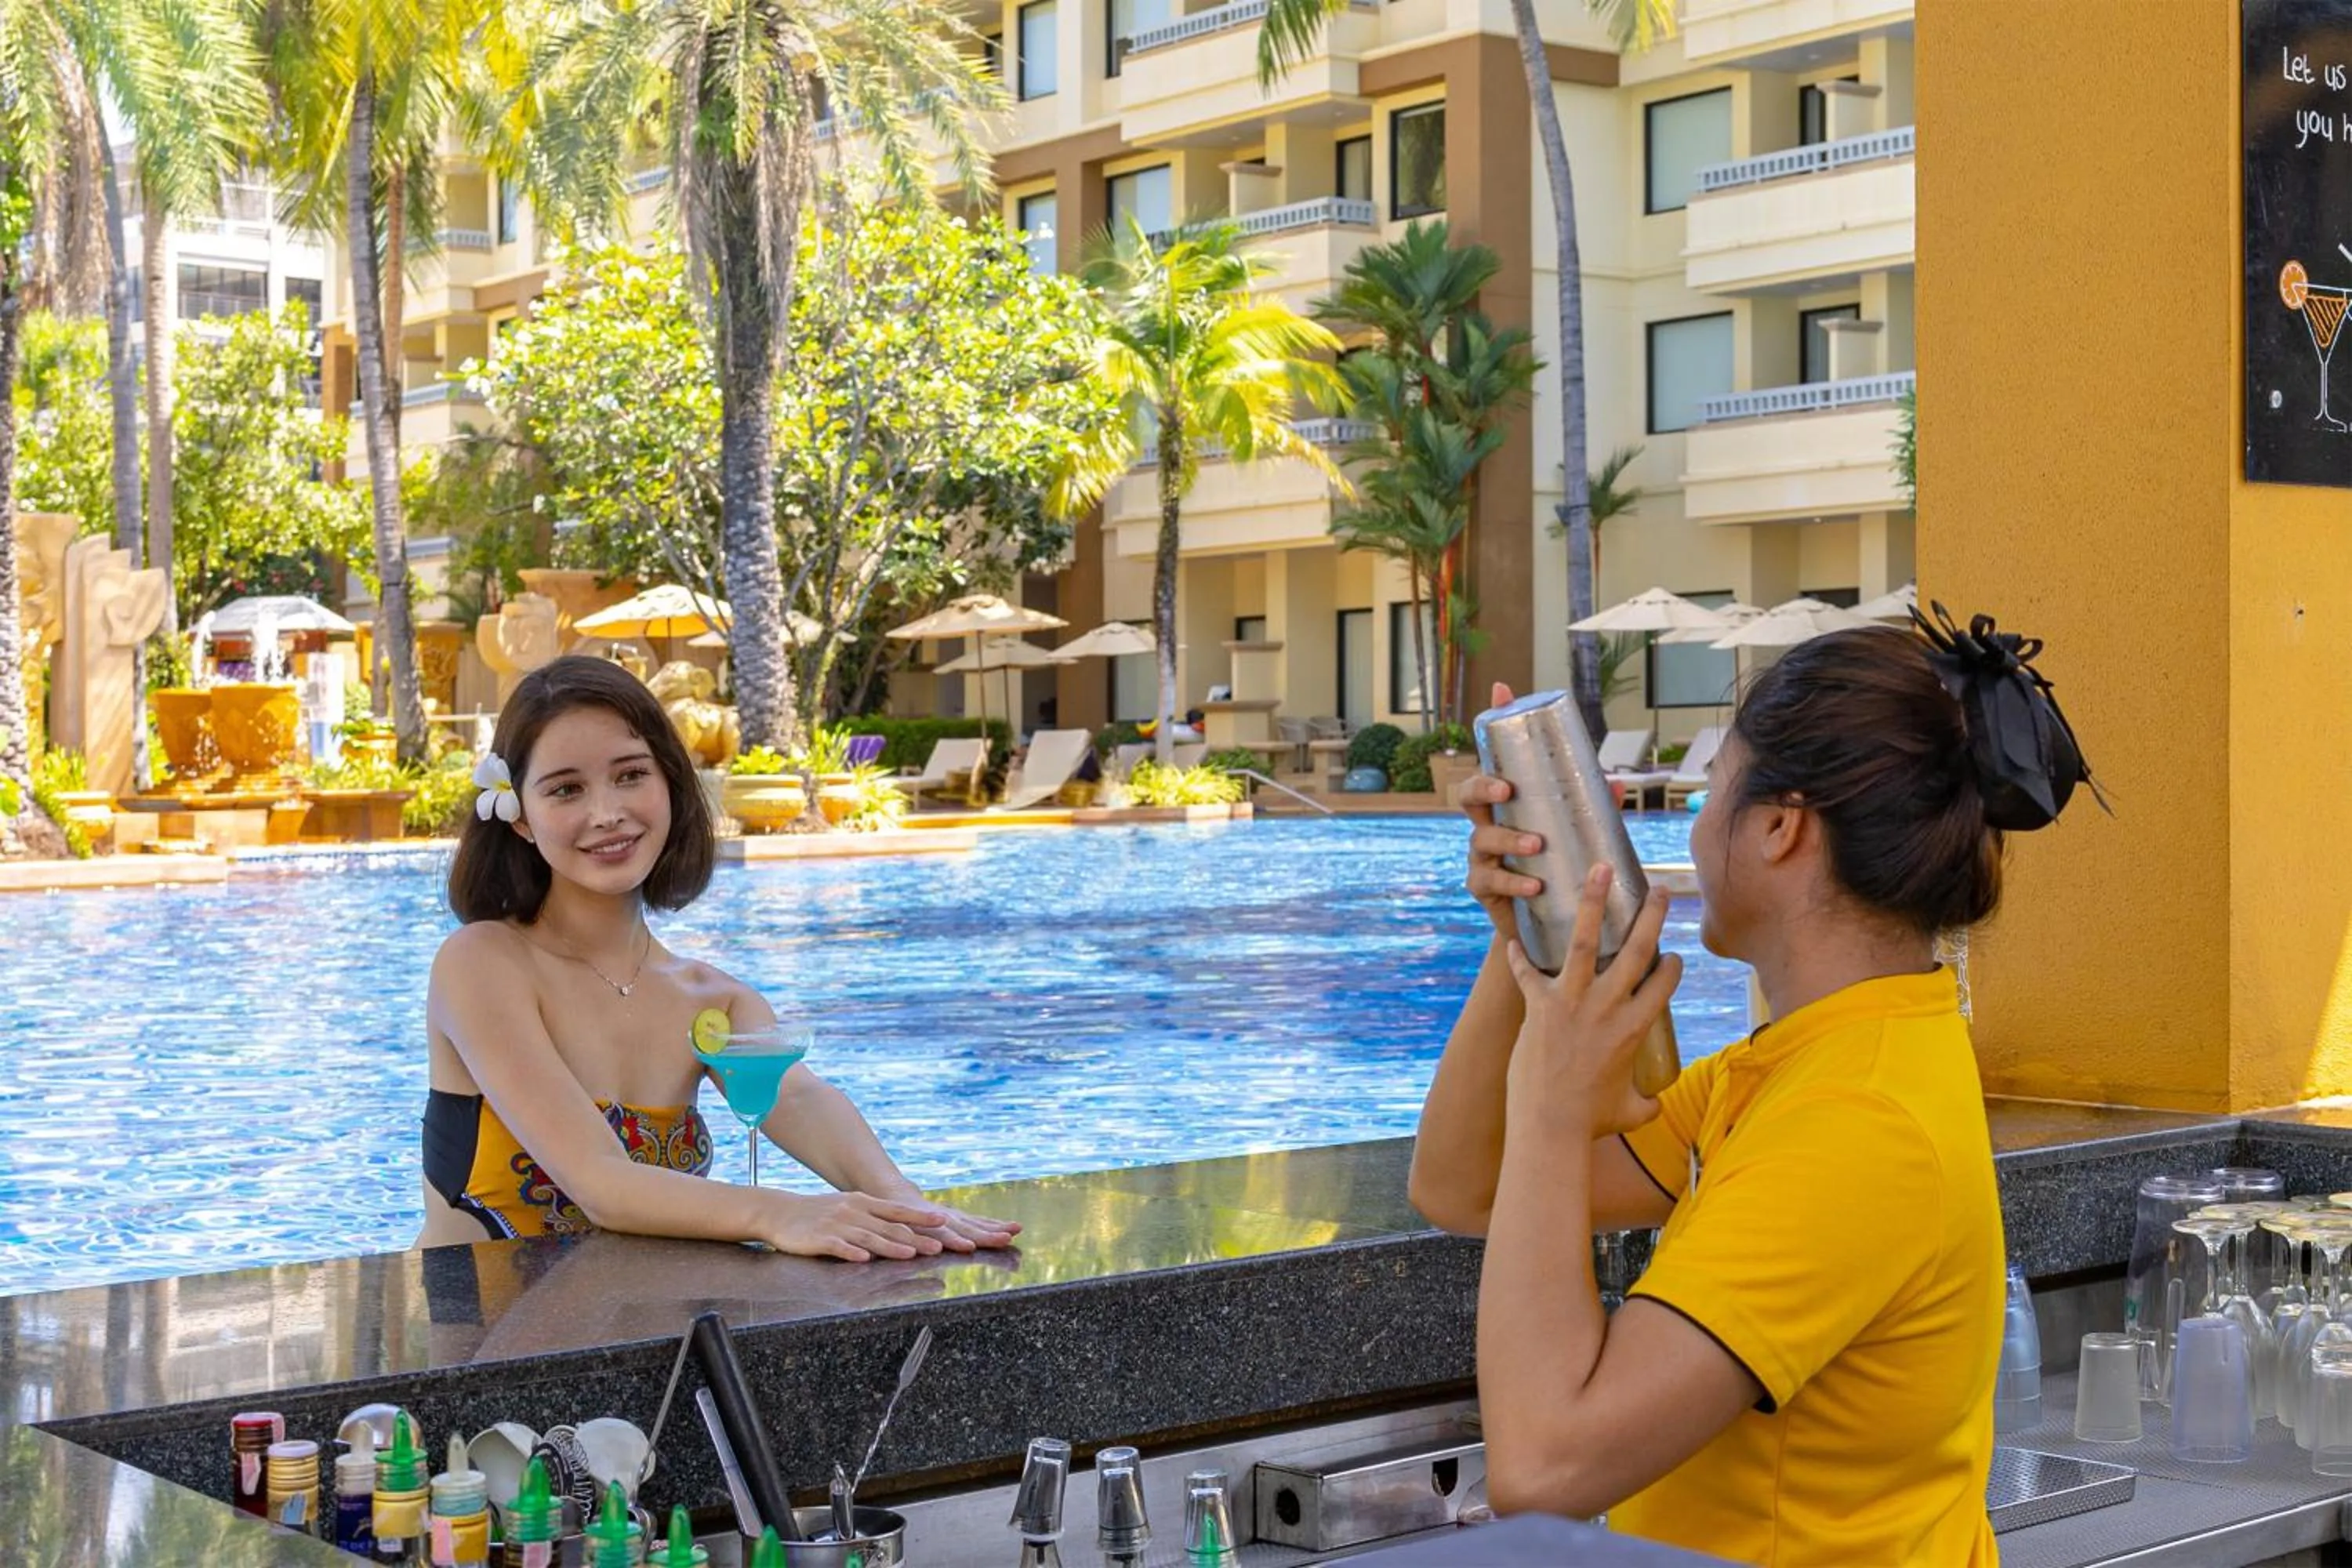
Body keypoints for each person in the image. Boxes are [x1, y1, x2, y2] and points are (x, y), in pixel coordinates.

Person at [1416, 608, 2102, 1565]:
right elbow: (1465, 1184)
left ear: (1781, 826)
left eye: (1712, 794)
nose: (1696, 830)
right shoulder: (1813, 1060)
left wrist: (1552, 1099)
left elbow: (1544, 1465)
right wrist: (1529, 930)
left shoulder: (1856, 1126)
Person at [419, 655, 1020, 1261]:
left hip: (647, 1316)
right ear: (519, 818)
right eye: (566, 789)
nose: (606, 813)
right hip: (478, 1321)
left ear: (670, 785)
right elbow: (598, 1182)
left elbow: (799, 1099)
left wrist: (911, 1207)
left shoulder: (713, 1002)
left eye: (631, 775)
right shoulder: (482, 965)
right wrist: (781, 1213)